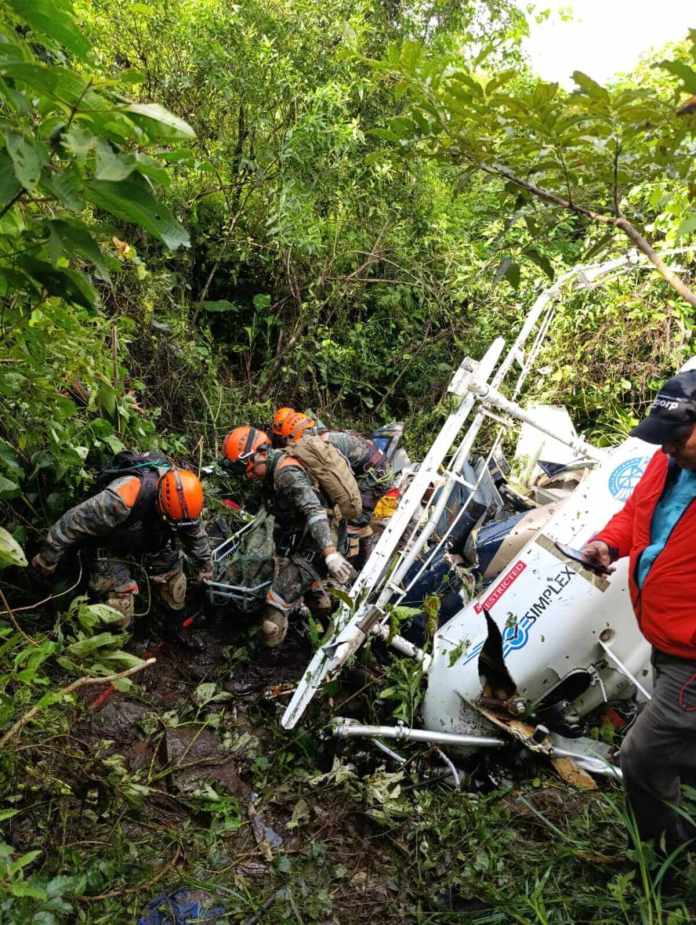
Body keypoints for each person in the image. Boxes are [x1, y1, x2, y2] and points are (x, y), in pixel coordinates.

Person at [581, 369, 696, 850]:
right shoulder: (665, 464)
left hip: (692, 655)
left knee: (643, 754)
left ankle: (665, 855)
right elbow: (638, 515)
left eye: (676, 438)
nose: (666, 448)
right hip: (665, 638)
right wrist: (609, 542)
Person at [32, 461, 213, 628]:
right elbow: (72, 523)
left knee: (175, 584)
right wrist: (48, 558)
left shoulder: (186, 501)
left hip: (153, 539)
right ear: (160, 505)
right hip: (109, 546)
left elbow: (194, 533)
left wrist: (205, 563)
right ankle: (114, 639)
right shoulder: (120, 499)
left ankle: (172, 624)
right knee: (120, 607)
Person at [221, 426, 354, 648]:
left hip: (319, 541)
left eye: (249, 467)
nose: (248, 474)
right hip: (297, 540)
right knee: (314, 597)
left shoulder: (286, 473)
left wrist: (330, 553)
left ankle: (268, 662)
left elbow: (314, 510)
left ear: (262, 453)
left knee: (274, 609)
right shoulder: (269, 473)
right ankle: (321, 625)